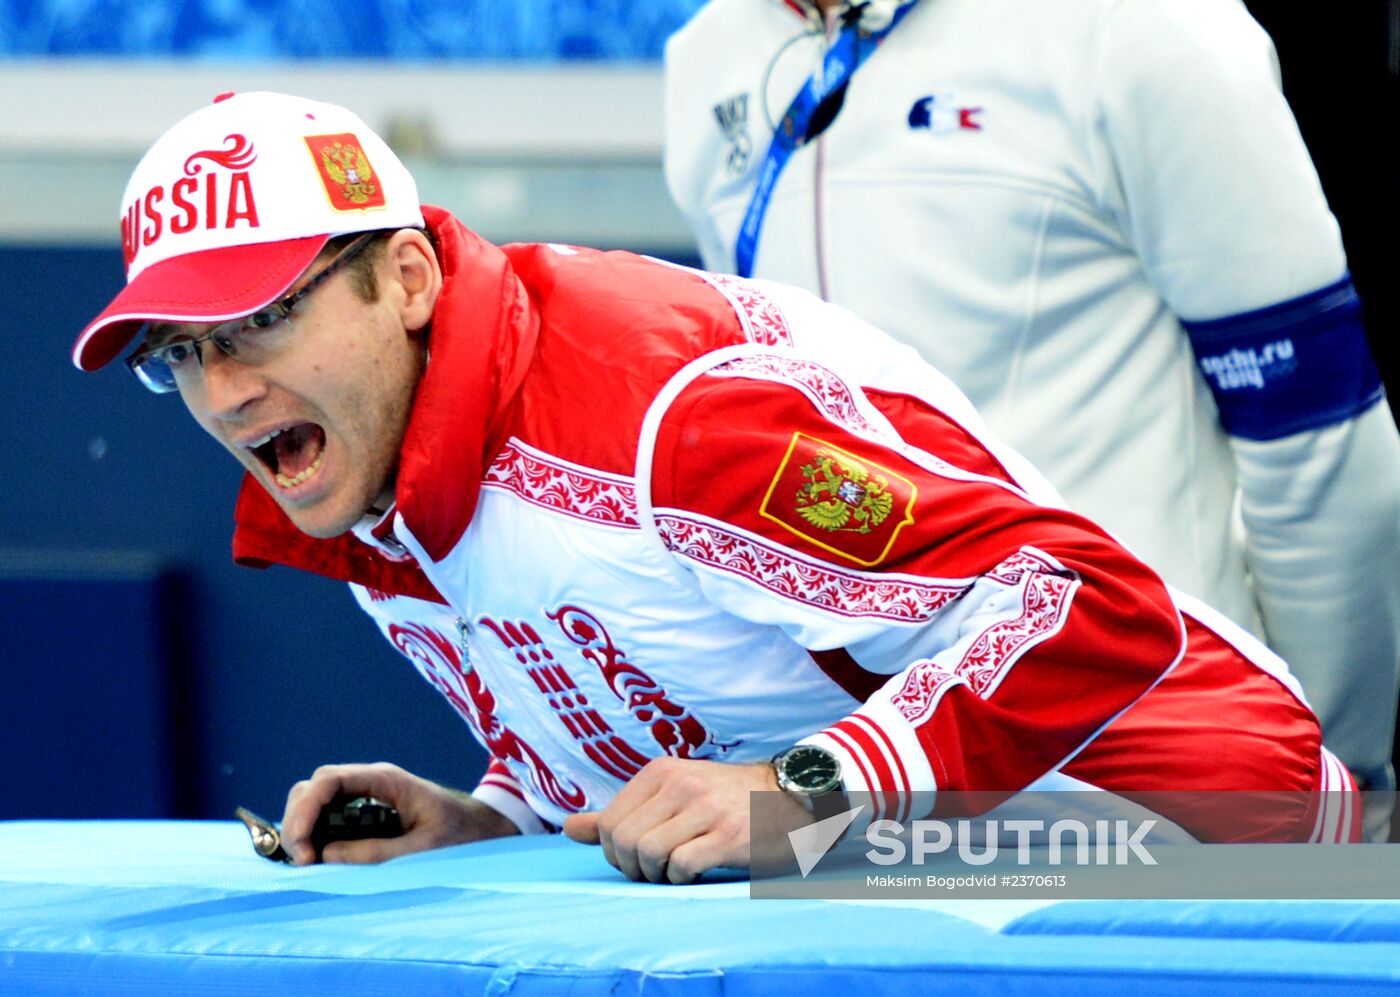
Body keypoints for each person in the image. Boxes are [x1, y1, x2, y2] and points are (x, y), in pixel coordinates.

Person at [75, 91, 1359, 884]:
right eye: (179, 355)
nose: (225, 392)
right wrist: (495, 819)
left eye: (258, 321)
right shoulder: (368, 479)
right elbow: (680, 692)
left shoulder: (662, 417)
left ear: (406, 279)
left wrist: (809, 796)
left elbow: (1093, 606)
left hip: (1206, 842)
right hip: (918, 885)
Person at [662, 0, 1400, 837]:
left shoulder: (1146, 26)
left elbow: (1314, 438)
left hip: (1152, 765)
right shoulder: (707, 55)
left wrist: (1332, 771)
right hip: (868, 785)